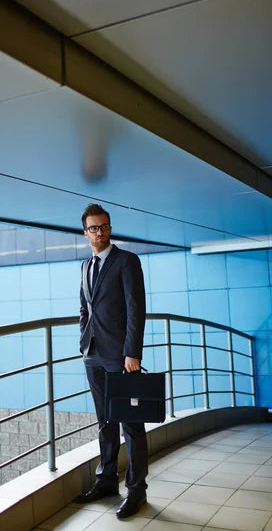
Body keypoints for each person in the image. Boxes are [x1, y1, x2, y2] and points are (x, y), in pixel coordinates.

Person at [74, 203, 148, 519]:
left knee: (131, 425)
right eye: (94, 228)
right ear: (85, 232)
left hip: (121, 356)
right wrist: (83, 341)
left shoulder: (127, 261)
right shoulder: (85, 265)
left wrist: (133, 352)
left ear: (110, 228)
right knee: (105, 421)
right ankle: (106, 481)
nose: (100, 232)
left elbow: (136, 308)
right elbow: (84, 308)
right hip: (92, 355)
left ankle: (136, 491)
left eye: (104, 226)